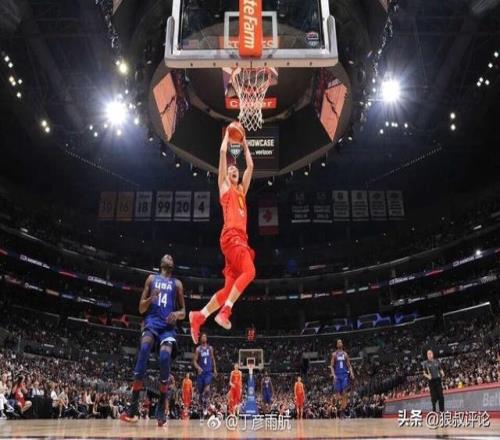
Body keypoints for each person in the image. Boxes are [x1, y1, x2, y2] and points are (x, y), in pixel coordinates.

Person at [189, 127, 256, 342]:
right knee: (250, 271)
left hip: (237, 242)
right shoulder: (225, 187)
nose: (234, 170)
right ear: (227, 175)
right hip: (232, 237)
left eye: (236, 169)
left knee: (228, 290)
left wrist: (245, 144)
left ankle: (199, 316)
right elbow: (221, 154)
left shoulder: (242, 191)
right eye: (231, 169)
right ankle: (226, 311)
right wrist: (227, 135)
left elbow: (250, 166)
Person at [120, 254, 185, 426]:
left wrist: (176, 314)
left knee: (164, 357)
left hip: (167, 328)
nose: (169, 257)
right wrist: (150, 299)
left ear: (172, 265)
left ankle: (161, 408)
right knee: (143, 350)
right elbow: (141, 309)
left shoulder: (177, 284)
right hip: (152, 323)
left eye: (171, 257)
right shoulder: (151, 279)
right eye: (166, 256)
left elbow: (184, 312)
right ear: (161, 263)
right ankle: (133, 409)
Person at [193, 333, 217, 417]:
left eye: (205, 336)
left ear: (206, 338)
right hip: (201, 373)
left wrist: (215, 368)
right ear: (200, 339)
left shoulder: (210, 348)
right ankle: (202, 403)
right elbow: (194, 361)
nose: (204, 337)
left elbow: (213, 358)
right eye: (202, 337)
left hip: (208, 372)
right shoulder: (198, 349)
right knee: (200, 392)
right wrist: (198, 368)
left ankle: (206, 406)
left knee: (207, 389)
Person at [331, 339, 354, 414]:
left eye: (340, 342)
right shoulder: (334, 354)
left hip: (344, 375)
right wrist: (334, 375)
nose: (339, 343)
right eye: (338, 342)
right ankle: (340, 407)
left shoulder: (345, 354)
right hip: (337, 375)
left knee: (344, 393)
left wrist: (351, 373)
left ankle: (343, 411)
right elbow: (331, 366)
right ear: (336, 345)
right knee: (338, 395)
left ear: (342, 344)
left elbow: (349, 365)